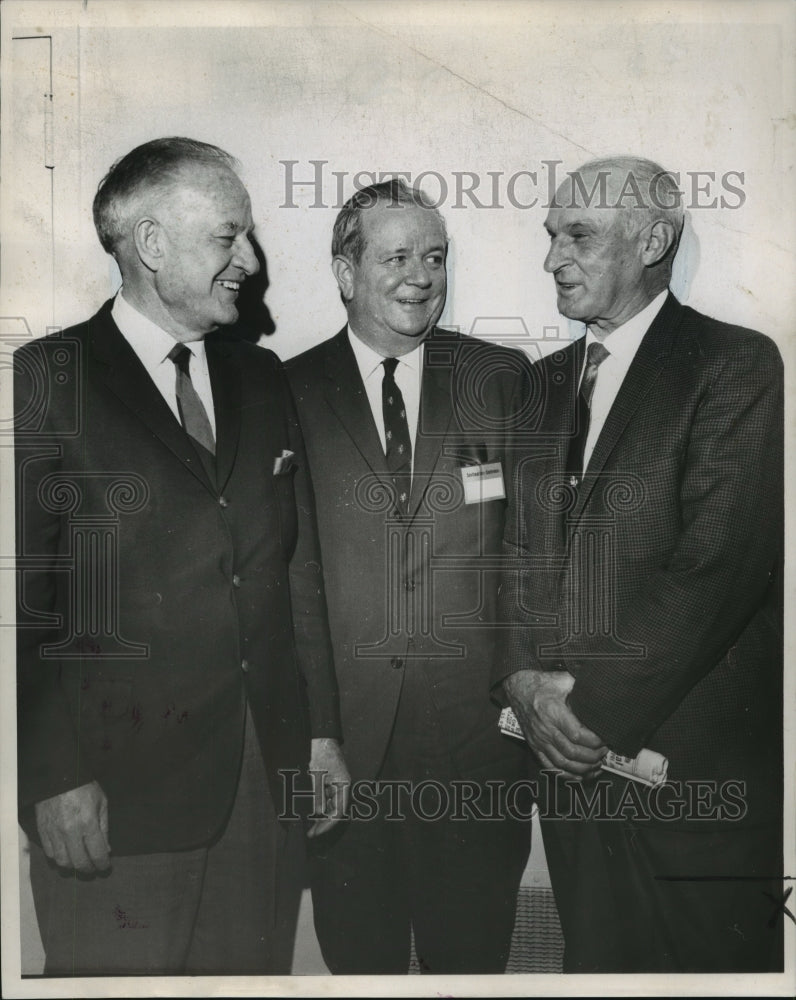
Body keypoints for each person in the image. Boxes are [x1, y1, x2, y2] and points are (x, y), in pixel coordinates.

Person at [14, 137, 348, 976]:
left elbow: (291, 571)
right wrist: (49, 776)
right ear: (151, 244)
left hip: (258, 786)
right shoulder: (44, 377)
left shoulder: (263, 380)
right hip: (114, 800)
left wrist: (318, 736)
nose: (251, 260)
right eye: (227, 237)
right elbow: (22, 602)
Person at [495, 155, 783, 973]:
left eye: (578, 235)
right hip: (573, 786)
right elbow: (510, 556)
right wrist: (518, 678)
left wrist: (583, 714)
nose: (552, 258)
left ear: (654, 239)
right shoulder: (539, 387)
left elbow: (718, 567)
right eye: (551, 236)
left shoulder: (737, 364)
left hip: (695, 786)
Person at [286, 179, 531, 974]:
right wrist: (317, 734)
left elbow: (535, 550)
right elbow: (285, 580)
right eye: (396, 257)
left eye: (434, 256)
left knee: (475, 968)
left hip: (477, 750)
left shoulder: (500, 375)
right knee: (362, 970)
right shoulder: (282, 391)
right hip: (344, 754)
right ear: (345, 271)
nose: (420, 276)